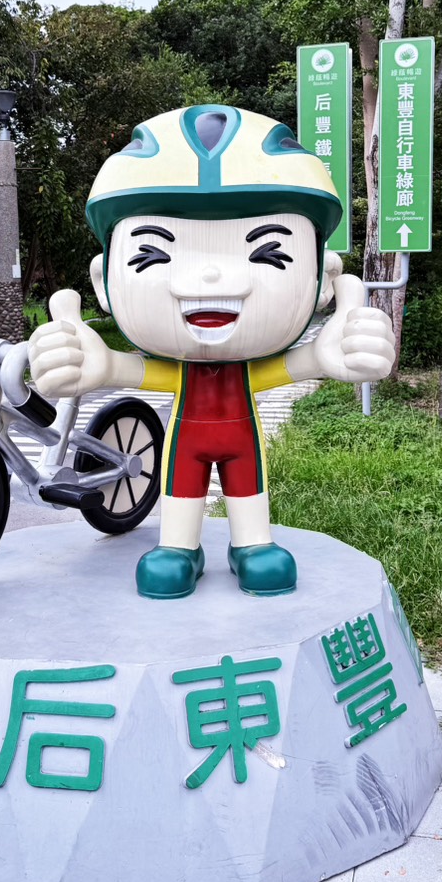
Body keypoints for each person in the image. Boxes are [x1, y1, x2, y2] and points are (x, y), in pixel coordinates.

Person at [28, 104, 396, 600]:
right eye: (152, 253)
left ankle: (251, 544)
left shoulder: (254, 363)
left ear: (323, 281)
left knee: (249, 486)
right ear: (103, 283)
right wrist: (103, 368)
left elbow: (291, 366)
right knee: (181, 488)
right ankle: (180, 547)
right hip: (187, 439)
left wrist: (325, 358)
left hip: (240, 436)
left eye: (270, 251)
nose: (209, 277)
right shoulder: (180, 367)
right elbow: (137, 372)